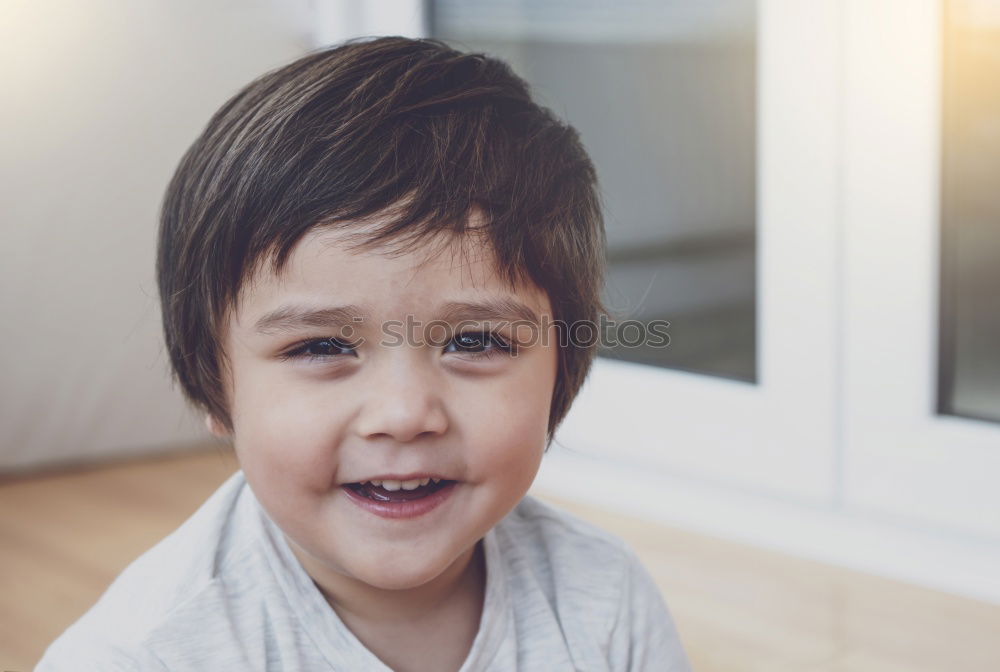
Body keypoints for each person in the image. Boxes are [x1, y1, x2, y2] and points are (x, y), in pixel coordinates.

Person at [36, 36, 691, 671]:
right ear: (214, 386)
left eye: (475, 341)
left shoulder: (605, 602)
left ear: (560, 374)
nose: (404, 414)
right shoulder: (142, 654)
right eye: (321, 346)